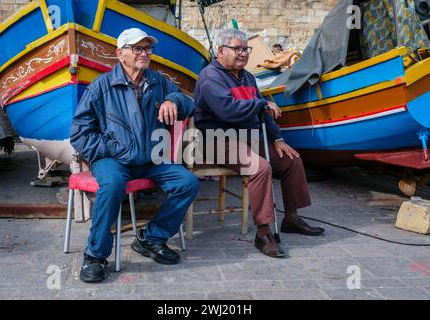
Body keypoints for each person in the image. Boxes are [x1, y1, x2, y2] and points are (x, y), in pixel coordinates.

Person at [70, 28, 199, 282]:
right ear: (121, 54)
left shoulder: (159, 82)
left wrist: (174, 99)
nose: (144, 53)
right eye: (137, 48)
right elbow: (80, 133)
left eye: (147, 48)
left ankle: (151, 237)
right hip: (113, 160)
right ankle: (95, 255)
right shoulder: (101, 87)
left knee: (188, 183)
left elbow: (189, 104)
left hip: (151, 159)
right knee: (113, 184)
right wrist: (113, 148)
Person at [193, 29, 324, 258]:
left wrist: (277, 138)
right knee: (260, 167)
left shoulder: (247, 76)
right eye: (237, 49)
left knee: (290, 159)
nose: (243, 53)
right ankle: (263, 233)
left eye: (246, 49)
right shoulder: (210, 77)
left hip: (248, 139)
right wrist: (260, 105)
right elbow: (228, 111)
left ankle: (291, 218)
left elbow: (264, 109)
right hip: (217, 140)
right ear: (221, 51)